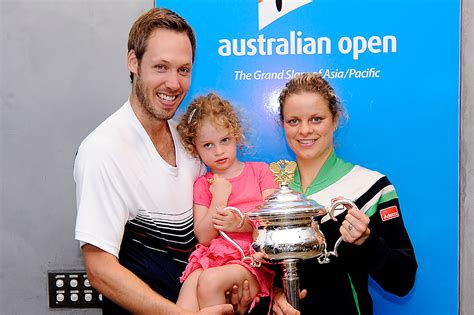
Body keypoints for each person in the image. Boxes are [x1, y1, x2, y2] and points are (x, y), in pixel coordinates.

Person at [74, 8, 250, 315]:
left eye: (183, 70)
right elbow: (99, 267)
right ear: (134, 63)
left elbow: (203, 238)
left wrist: (237, 285)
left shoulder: (191, 140)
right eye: (161, 67)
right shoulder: (103, 149)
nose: (173, 83)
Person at [271, 73, 418, 315]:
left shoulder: (371, 187)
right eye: (293, 121)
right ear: (283, 124)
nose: (305, 130)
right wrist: (274, 293)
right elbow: (259, 268)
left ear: (335, 119)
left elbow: (403, 281)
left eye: (316, 119)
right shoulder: (269, 189)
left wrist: (368, 242)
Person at [175, 93, 278, 312]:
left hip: (250, 260)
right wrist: (219, 199)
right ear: (195, 148)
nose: (219, 151)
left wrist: (241, 224)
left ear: (236, 136)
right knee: (185, 303)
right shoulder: (203, 184)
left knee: (210, 281)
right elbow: (203, 236)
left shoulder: (260, 172)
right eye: (208, 145)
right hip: (212, 258)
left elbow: (273, 225)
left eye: (224, 140)